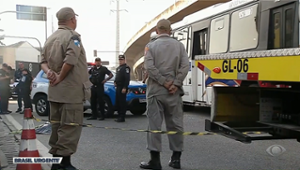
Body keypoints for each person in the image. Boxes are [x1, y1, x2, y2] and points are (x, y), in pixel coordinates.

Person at [40, 7, 92, 170]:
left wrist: (50, 74)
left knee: (56, 126)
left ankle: (56, 162)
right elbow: (70, 60)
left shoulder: (51, 38)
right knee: (70, 127)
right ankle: (65, 164)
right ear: (72, 19)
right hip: (70, 92)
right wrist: (60, 77)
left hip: (55, 93)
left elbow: (42, 61)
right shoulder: (74, 37)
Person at [140, 19, 189, 170]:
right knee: (175, 124)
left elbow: (149, 67)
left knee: (154, 125)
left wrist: (163, 81)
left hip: (156, 91)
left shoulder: (150, 46)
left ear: (156, 29)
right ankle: (176, 159)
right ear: (170, 30)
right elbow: (185, 65)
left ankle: (155, 161)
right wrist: (175, 83)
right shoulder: (179, 46)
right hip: (173, 92)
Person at [114, 55, 130, 122]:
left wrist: (125, 87)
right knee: (118, 102)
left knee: (122, 102)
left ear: (124, 60)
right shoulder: (118, 68)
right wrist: (115, 81)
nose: (120, 61)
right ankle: (119, 115)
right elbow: (117, 76)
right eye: (120, 60)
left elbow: (127, 79)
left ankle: (122, 116)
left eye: (122, 60)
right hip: (118, 87)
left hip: (122, 87)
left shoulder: (126, 68)